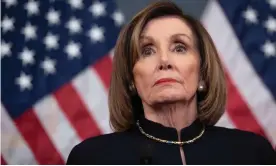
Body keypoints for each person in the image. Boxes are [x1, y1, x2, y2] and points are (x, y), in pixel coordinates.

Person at [66, 1, 276, 164]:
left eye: (179, 47)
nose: (164, 61)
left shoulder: (253, 153)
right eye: (147, 51)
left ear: (202, 74)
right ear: (131, 79)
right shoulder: (92, 158)